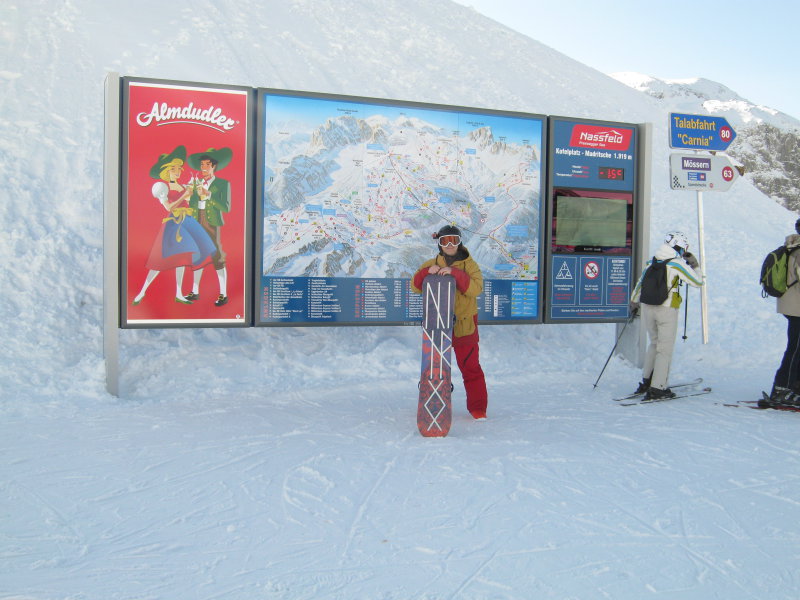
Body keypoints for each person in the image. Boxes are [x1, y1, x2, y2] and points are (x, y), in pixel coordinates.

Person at [411, 225, 488, 419]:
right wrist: (426, 272)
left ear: (460, 242)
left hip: (464, 326)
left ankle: (478, 408)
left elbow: (476, 289)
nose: (450, 244)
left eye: (454, 240)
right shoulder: (431, 264)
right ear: (439, 244)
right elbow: (415, 286)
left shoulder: (470, 265)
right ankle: (432, 403)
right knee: (434, 369)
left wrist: (455, 273)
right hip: (437, 326)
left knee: (470, 368)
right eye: (445, 241)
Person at [132, 146, 217, 306]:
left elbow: (191, 200)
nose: (177, 171)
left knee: (183, 259)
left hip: (188, 222)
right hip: (174, 224)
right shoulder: (163, 188)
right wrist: (184, 195)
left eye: (179, 168)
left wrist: (194, 193)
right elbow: (169, 207)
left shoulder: (183, 186)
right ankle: (142, 291)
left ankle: (179, 293)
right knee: (159, 261)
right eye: (173, 169)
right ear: (166, 172)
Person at [629, 231, 703, 400]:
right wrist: (695, 265)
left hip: (647, 307)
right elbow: (698, 282)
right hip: (666, 309)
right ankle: (658, 387)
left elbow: (640, 284)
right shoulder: (676, 264)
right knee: (665, 349)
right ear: (679, 247)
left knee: (654, 344)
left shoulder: (652, 262)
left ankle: (646, 381)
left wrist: (633, 302)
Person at [186, 147, 232, 307]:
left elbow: (226, 207)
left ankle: (223, 294)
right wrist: (190, 195)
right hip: (196, 220)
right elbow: (191, 204)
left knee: (216, 256)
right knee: (197, 255)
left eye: (207, 164)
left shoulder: (222, 184)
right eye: (202, 165)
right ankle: (195, 291)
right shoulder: (196, 183)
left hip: (211, 222)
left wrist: (209, 195)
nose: (203, 168)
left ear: (214, 166)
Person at [762, 218, 800, 408]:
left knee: (795, 348)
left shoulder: (792, 247)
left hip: (791, 306)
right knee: (795, 350)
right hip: (797, 307)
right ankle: (785, 389)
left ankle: (790, 387)